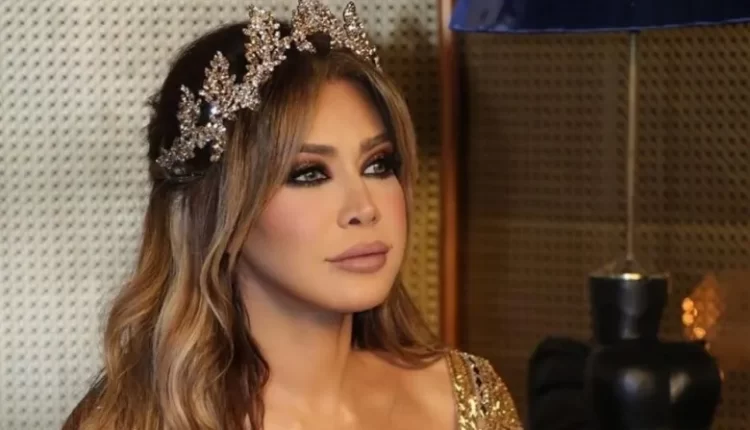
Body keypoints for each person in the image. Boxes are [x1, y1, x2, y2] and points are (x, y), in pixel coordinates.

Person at [62, 1, 521, 429]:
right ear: (219, 210)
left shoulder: (466, 397)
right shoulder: (128, 421)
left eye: (378, 165)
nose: (364, 208)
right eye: (308, 174)